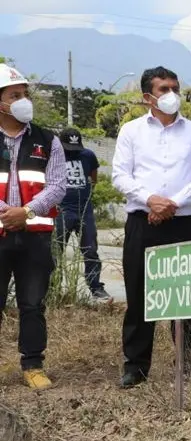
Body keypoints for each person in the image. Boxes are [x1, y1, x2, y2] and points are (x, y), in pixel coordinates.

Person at [112, 66, 191, 388]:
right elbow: (120, 176)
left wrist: (170, 204)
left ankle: (188, 361)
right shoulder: (131, 131)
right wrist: (151, 200)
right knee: (140, 296)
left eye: (175, 87)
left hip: (183, 223)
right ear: (147, 97)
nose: (171, 95)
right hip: (143, 223)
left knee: (187, 297)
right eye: (163, 89)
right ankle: (136, 366)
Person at [0, 63, 67, 390]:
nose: (24, 100)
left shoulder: (47, 140)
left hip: (34, 236)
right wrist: (5, 213)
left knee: (32, 303)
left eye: (25, 94)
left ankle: (33, 364)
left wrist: (25, 211)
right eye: (15, 95)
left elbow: (57, 185)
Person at [55, 128, 111, 302]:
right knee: (55, 250)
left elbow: (93, 179)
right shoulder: (53, 155)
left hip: (84, 210)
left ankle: (96, 287)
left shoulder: (88, 155)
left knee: (90, 250)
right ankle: (52, 287)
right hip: (61, 210)